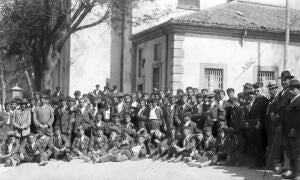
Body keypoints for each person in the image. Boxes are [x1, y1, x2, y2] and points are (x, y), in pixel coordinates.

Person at [281, 79, 300, 179]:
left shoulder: (299, 100)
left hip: (296, 132)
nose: (291, 91)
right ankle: (293, 172)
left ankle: (298, 174)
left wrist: (294, 129)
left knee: (296, 154)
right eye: (290, 89)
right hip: (287, 131)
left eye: (293, 89)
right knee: (291, 153)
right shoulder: (290, 100)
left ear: (298, 89)